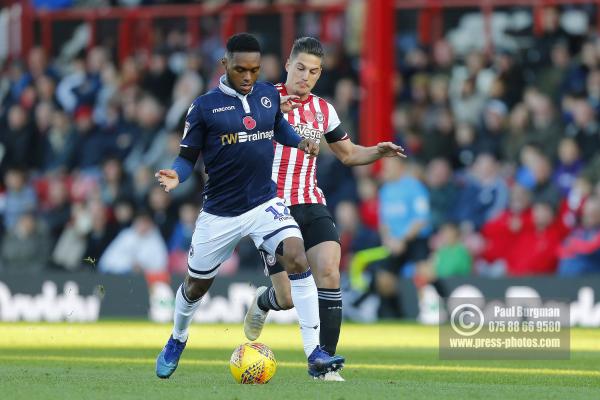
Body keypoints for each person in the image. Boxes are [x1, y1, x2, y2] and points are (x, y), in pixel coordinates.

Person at [154, 33, 344, 380]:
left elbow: (280, 130)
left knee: (298, 256)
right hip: (221, 212)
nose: (247, 77)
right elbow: (186, 159)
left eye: (254, 70)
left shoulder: (268, 95)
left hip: (264, 203)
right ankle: (177, 338)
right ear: (225, 65)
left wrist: (301, 141)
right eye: (240, 69)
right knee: (196, 286)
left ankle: (314, 352)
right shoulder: (203, 107)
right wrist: (176, 176)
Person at [243, 37, 405, 381]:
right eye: (300, 68)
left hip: (311, 201)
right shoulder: (259, 99)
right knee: (286, 298)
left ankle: (325, 365)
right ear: (287, 64)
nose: (306, 77)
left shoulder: (324, 110)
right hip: (271, 208)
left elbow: (347, 154)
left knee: (330, 271)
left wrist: (377, 151)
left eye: (314, 72)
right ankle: (264, 301)